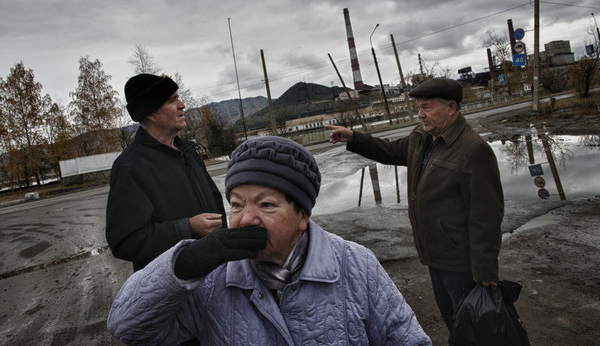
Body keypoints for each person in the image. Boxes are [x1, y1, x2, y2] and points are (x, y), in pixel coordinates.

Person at [107, 136, 432, 346]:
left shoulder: (355, 265)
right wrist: (185, 263)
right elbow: (127, 327)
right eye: (236, 204)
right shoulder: (211, 280)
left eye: (266, 205)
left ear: (302, 215)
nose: (246, 219)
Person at [326, 78, 504, 345]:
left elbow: (486, 215)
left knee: (474, 328)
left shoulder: (473, 149)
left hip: (461, 263)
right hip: (434, 256)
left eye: (427, 107)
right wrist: (354, 138)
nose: (420, 113)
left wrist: (485, 269)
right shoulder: (422, 137)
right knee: (456, 323)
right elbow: (391, 150)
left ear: (452, 107)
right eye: (419, 107)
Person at [106, 73, 227, 272]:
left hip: (216, 272)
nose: (182, 105)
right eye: (173, 100)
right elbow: (125, 242)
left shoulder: (189, 152)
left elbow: (215, 203)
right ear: (151, 113)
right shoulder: (130, 167)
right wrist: (188, 227)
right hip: (174, 289)